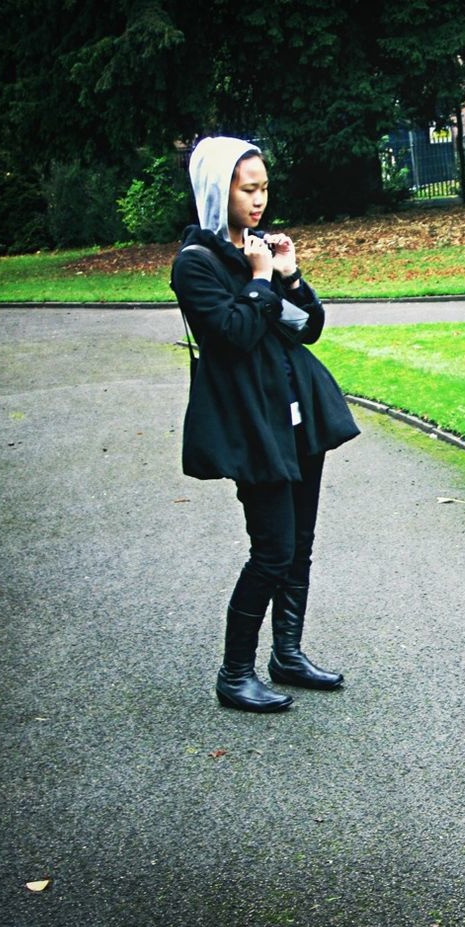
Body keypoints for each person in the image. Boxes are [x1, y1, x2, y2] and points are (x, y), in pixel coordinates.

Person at [171, 136, 360, 713]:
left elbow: (306, 328)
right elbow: (233, 335)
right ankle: (235, 674)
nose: (259, 200)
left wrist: (290, 275)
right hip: (252, 426)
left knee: (299, 546)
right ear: (216, 188)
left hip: (298, 418)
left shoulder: (259, 250)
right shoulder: (195, 263)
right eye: (247, 189)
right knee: (272, 551)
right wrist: (258, 278)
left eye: (264, 189)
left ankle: (288, 654)